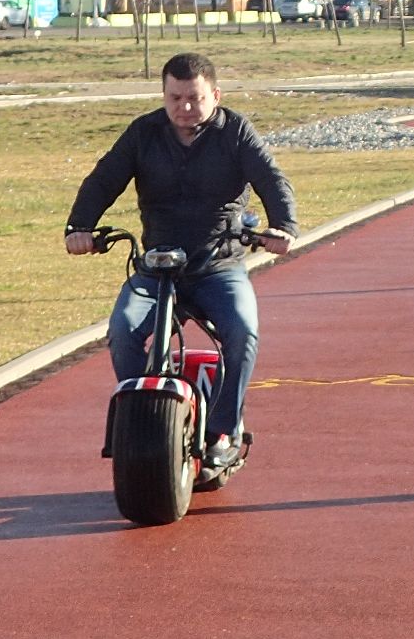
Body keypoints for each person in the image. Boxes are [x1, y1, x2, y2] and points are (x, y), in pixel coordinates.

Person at [64, 52, 297, 468]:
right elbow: (104, 179)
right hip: (155, 269)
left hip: (218, 267)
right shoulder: (144, 133)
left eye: (194, 98)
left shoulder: (236, 131)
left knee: (242, 331)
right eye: (174, 98)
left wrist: (283, 227)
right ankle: (143, 422)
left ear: (215, 95)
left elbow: (271, 179)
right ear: (163, 94)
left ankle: (224, 431)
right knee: (122, 328)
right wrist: (79, 228)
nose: (184, 108)